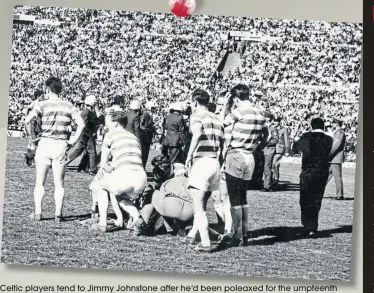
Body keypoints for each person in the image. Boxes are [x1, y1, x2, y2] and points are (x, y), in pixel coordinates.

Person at [24, 76, 85, 222]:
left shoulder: (42, 104)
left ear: (47, 89)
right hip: (61, 144)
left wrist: (33, 139)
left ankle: (38, 213)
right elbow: (81, 124)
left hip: (45, 143)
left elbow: (27, 120)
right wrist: (72, 141)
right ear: (60, 90)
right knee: (59, 183)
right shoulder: (69, 105)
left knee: (40, 182)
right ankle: (58, 214)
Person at [221, 84, 266, 246]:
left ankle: (237, 234)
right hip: (250, 156)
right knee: (243, 197)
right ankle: (245, 232)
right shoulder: (260, 112)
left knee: (234, 198)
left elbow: (221, 123)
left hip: (236, 154)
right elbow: (265, 136)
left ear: (235, 98)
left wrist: (225, 106)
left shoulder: (238, 111)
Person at [183, 89, 224, 253]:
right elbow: (223, 145)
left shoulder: (196, 116)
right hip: (214, 162)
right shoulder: (217, 119)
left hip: (202, 161)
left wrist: (189, 155)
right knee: (202, 204)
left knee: (198, 208)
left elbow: (197, 133)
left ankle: (206, 243)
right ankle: (193, 234)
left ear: (194, 102)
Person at [93, 110, 147, 233]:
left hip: (125, 174)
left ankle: (102, 223)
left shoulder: (110, 135)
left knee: (101, 185)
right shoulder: (133, 137)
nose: (106, 125)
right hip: (141, 176)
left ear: (116, 124)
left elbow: (103, 164)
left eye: (108, 123)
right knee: (120, 196)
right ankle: (137, 217)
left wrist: (104, 170)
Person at [292, 118, 333, 236]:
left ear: (312, 126)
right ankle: (313, 226)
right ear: (323, 126)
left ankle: (307, 225)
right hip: (322, 171)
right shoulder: (329, 139)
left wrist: (296, 139)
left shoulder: (306, 136)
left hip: (308, 171)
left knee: (305, 198)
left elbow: (295, 149)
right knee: (317, 198)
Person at [66, 95, 99, 175]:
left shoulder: (88, 111)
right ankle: (92, 169)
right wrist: (90, 132)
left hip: (86, 134)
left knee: (79, 151)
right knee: (91, 152)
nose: (96, 104)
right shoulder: (87, 112)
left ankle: (65, 162)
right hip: (87, 135)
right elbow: (82, 124)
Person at [327, 117, 346, 200]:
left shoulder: (339, 132)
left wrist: (328, 154)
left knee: (337, 177)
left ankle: (340, 195)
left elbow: (336, 146)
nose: (332, 124)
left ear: (337, 124)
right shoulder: (338, 132)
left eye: (333, 123)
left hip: (335, 158)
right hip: (333, 158)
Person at [24, 89, 44, 167]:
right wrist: (28, 118)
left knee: (37, 141)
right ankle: (30, 158)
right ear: (38, 96)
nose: (43, 97)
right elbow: (27, 109)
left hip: (38, 124)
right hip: (33, 123)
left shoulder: (40, 103)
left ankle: (30, 157)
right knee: (34, 141)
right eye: (42, 96)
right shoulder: (35, 103)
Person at [261, 112, 279, 192]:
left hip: (269, 150)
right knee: (263, 168)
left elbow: (275, 140)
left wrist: (264, 143)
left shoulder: (273, 128)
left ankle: (267, 186)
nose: (265, 118)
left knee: (267, 168)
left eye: (267, 117)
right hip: (263, 149)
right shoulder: (264, 127)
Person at [272, 117, 290, 187]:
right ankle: (274, 178)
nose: (275, 123)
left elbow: (286, 140)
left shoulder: (284, 129)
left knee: (275, 164)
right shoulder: (272, 128)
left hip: (279, 149)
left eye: (277, 121)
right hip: (272, 148)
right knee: (273, 164)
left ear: (279, 122)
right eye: (274, 121)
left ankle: (275, 179)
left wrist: (287, 151)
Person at [140, 103, 154, 168]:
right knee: (146, 152)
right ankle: (144, 166)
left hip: (144, 134)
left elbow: (141, 122)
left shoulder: (145, 114)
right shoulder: (149, 114)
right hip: (148, 133)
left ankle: (143, 166)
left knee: (143, 151)